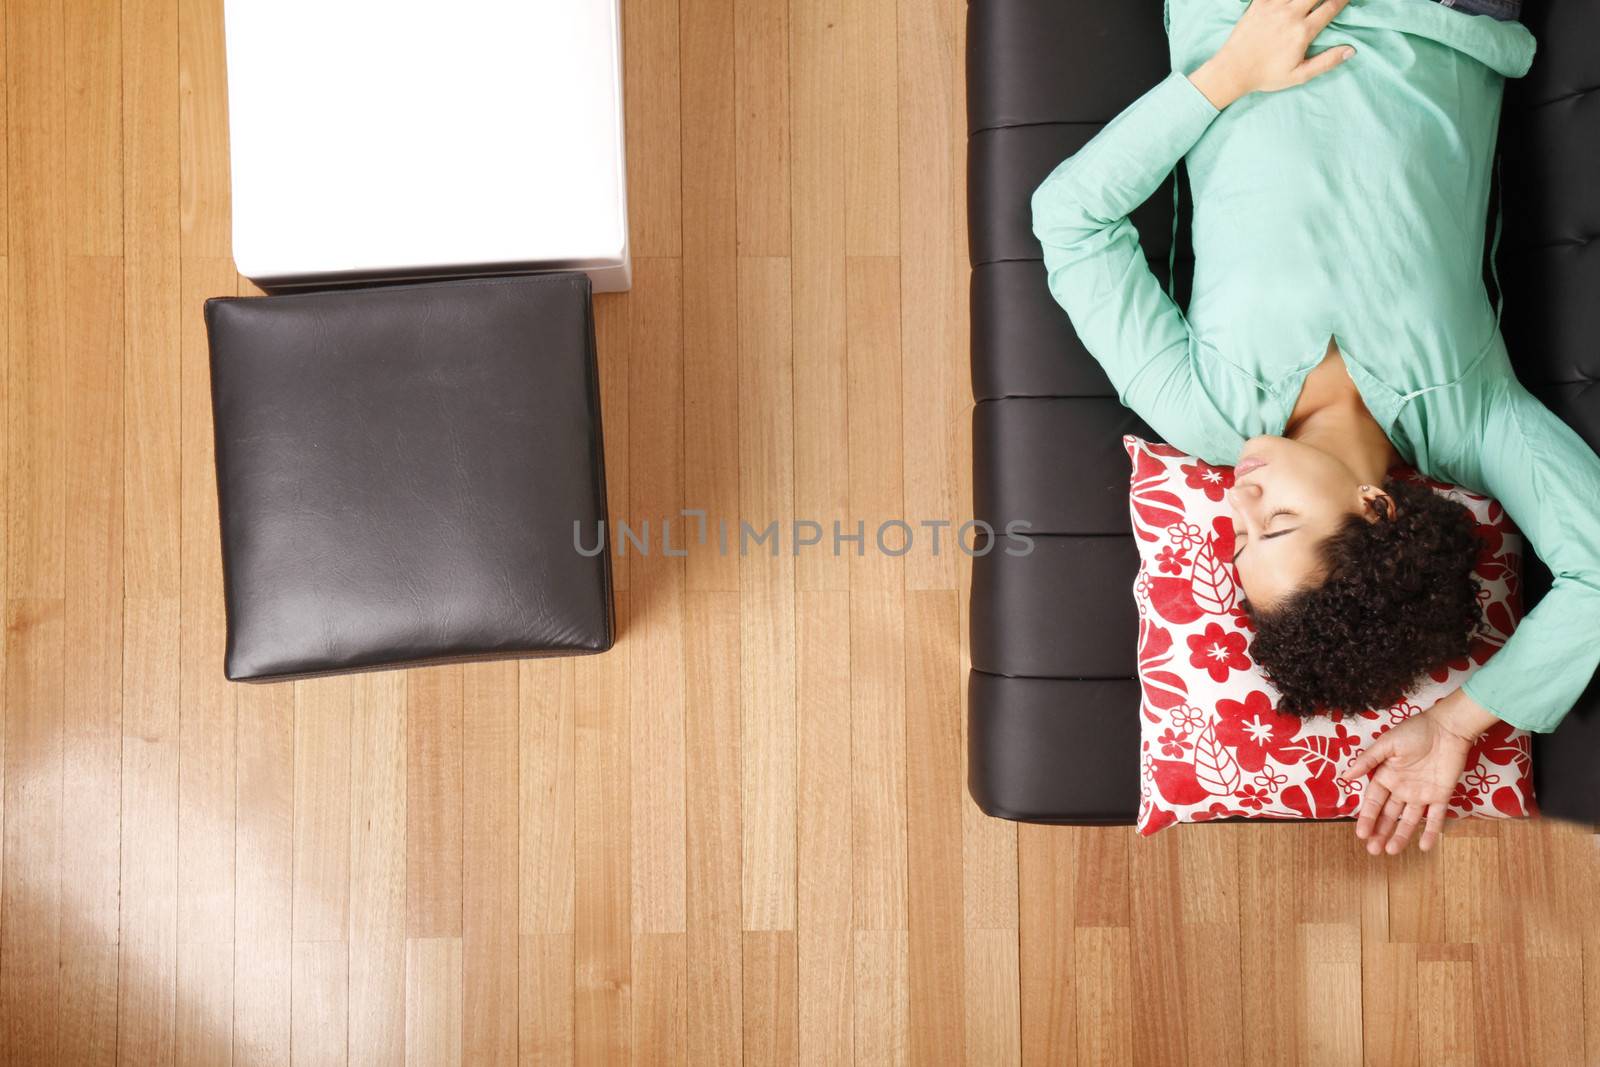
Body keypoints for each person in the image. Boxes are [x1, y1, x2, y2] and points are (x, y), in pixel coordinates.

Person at [1030, 0, 1600, 855]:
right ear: (1377, 510)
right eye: (1279, 522)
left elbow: (1069, 221)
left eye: (1239, 536)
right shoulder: (1474, 415)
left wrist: (1227, 75)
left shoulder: (1201, 411)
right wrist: (1456, 724)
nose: (1241, 497)